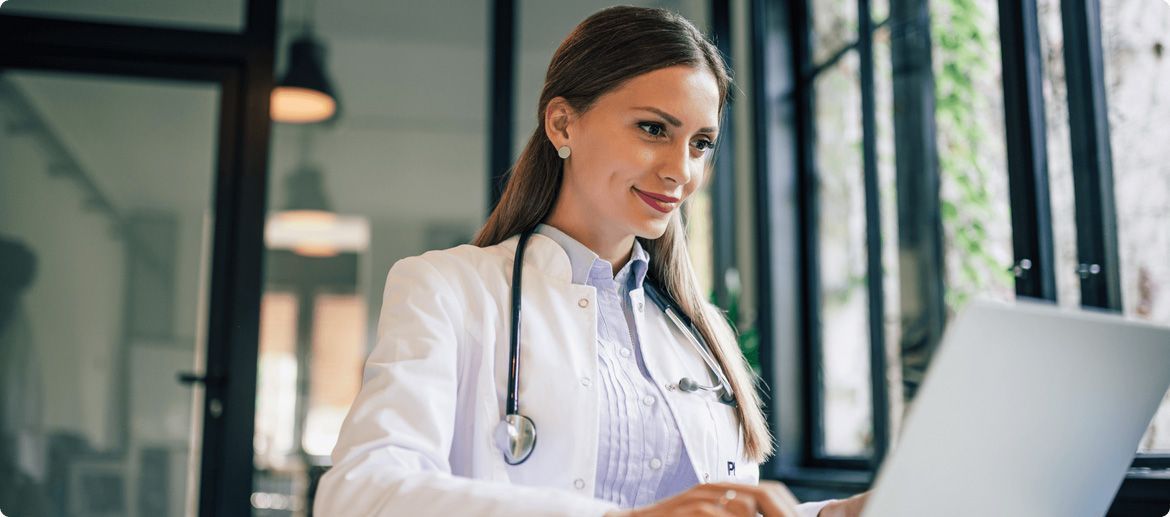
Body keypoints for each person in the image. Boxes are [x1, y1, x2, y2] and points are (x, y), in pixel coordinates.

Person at [314, 6, 868, 516]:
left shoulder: (700, 334)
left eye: (701, 143)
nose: (682, 170)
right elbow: (361, 493)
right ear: (562, 125)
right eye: (654, 129)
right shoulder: (447, 289)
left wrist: (832, 514)